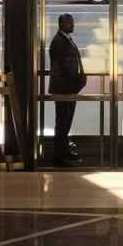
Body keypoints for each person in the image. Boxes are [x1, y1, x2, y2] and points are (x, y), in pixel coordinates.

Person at [48, 13, 86, 166]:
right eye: (71, 23)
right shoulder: (58, 42)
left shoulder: (65, 39)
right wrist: (68, 89)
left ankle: (63, 151)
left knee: (65, 122)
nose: (73, 25)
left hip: (69, 89)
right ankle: (58, 156)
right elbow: (58, 68)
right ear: (63, 25)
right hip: (64, 90)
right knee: (62, 122)